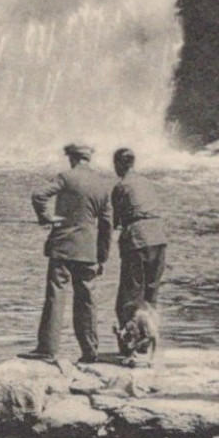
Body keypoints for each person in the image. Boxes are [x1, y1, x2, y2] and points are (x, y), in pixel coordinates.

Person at [26, 143, 114, 364]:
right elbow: (107, 225)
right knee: (87, 301)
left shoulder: (66, 177)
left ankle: (47, 349)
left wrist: (45, 218)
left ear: (72, 158)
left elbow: (38, 195)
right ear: (88, 159)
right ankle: (89, 351)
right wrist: (102, 256)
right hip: (89, 251)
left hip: (63, 247)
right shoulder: (103, 185)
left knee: (56, 296)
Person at [111, 147, 167, 362]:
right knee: (151, 294)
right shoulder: (146, 183)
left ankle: (130, 348)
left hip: (137, 240)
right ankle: (149, 342)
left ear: (119, 165)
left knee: (129, 297)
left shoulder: (121, 186)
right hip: (159, 237)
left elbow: (114, 221)